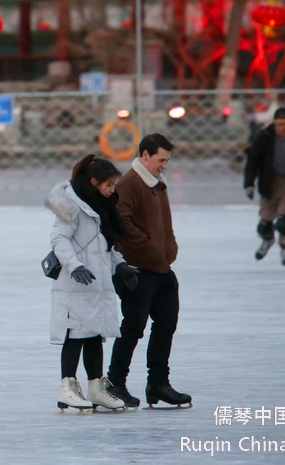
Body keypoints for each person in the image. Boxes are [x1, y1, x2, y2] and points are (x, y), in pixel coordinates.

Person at [45, 154, 139, 412]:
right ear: (94, 182)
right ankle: (67, 387)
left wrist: (120, 265)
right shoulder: (72, 207)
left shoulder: (101, 206)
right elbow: (58, 239)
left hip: (97, 283)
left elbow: (105, 246)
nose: (112, 190)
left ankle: (96, 387)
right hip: (75, 284)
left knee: (95, 335)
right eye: (108, 185)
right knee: (75, 335)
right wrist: (75, 266)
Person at [105, 133, 191, 409]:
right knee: (132, 328)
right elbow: (121, 221)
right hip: (138, 269)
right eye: (160, 159)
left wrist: (167, 247)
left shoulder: (156, 183)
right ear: (145, 156)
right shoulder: (130, 183)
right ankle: (115, 382)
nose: (164, 164)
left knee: (166, 326)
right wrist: (148, 247)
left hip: (161, 267)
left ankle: (158, 383)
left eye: (167, 160)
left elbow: (162, 224)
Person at [243, 108, 285, 266]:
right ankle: (267, 240)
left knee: (284, 220)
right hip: (270, 183)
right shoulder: (265, 137)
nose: (282, 128)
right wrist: (249, 184)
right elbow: (253, 161)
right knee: (265, 221)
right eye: (279, 124)